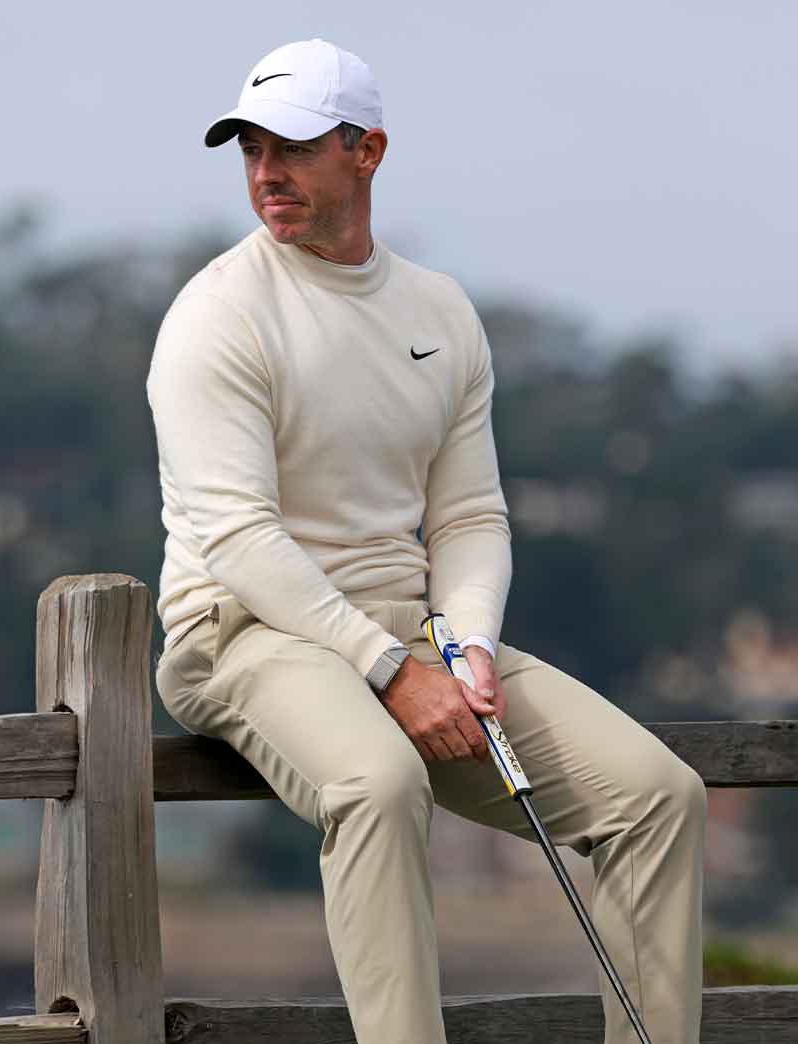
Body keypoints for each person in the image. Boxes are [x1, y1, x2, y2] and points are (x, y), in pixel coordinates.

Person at [146, 38, 706, 1044]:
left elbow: (466, 517)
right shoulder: (216, 316)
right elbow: (236, 537)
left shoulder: (437, 310)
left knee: (655, 797)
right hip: (241, 634)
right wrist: (389, 672)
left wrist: (468, 647)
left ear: (366, 152)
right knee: (377, 780)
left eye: (295, 148)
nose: (265, 173)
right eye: (249, 150)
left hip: (407, 632)